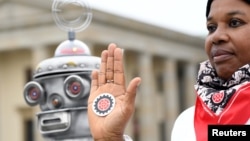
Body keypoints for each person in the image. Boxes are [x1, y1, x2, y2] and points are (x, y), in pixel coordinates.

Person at [87, 0, 250, 140]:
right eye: (211, 27)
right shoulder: (186, 123)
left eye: (235, 22)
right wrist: (110, 139)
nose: (216, 36)